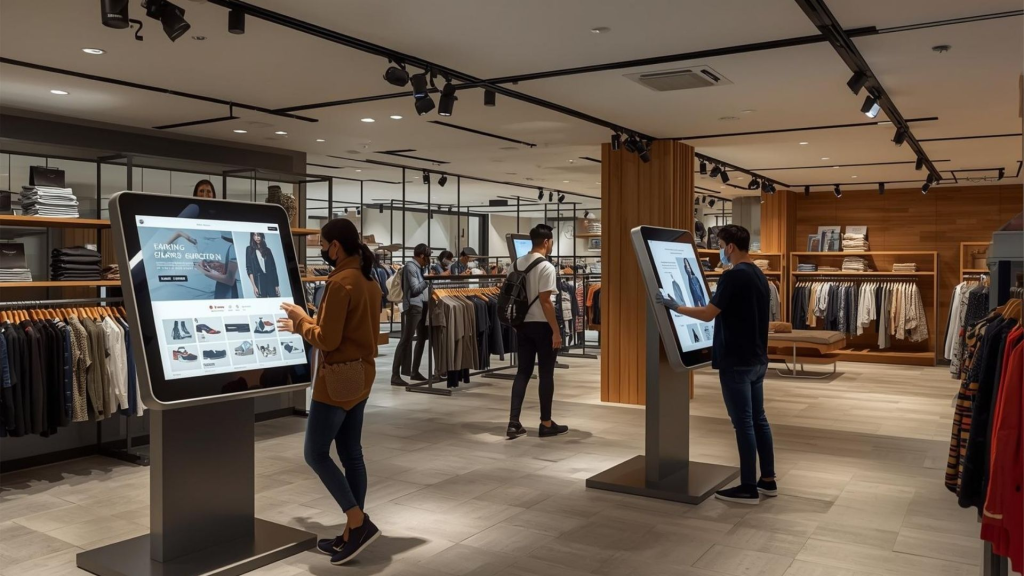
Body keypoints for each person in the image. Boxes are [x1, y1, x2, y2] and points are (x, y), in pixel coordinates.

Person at [277, 218, 382, 565]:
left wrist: (299, 321)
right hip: (362, 374)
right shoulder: (368, 279)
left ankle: (357, 521)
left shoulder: (341, 283)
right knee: (351, 451)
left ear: (335, 246)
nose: (322, 250)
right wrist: (310, 318)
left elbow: (327, 339)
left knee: (316, 453)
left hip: (337, 380)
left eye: (322, 244)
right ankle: (353, 533)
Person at [656, 224, 775, 504]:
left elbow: (709, 314)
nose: (721, 250)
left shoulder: (732, 277)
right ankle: (767, 479)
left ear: (730, 246)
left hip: (736, 359)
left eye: (721, 244)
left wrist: (675, 306)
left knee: (743, 423)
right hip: (757, 358)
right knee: (759, 419)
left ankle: (747, 486)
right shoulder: (759, 274)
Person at [507, 224, 569, 439]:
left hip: (522, 324)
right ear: (546, 242)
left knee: (522, 372)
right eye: (551, 242)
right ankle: (546, 423)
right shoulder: (547, 267)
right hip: (542, 326)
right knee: (546, 374)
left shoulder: (515, 264)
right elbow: (546, 301)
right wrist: (556, 331)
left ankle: (513, 423)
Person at [391, 243, 431, 385]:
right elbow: (414, 289)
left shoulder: (418, 268)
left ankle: (415, 372)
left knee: (422, 338)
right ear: (421, 256)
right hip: (414, 306)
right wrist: (428, 279)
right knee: (406, 339)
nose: (427, 260)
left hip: (422, 305)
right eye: (426, 257)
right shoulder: (410, 267)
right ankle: (395, 375)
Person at [246, 232, 280, 298]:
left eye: (259, 235)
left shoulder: (267, 250)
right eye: (255, 235)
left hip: (270, 280)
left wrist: (276, 285)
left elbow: (273, 268)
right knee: (262, 303)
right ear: (252, 237)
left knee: (274, 301)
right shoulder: (249, 249)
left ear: (262, 236)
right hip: (259, 280)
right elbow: (249, 269)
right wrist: (254, 286)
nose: (257, 237)